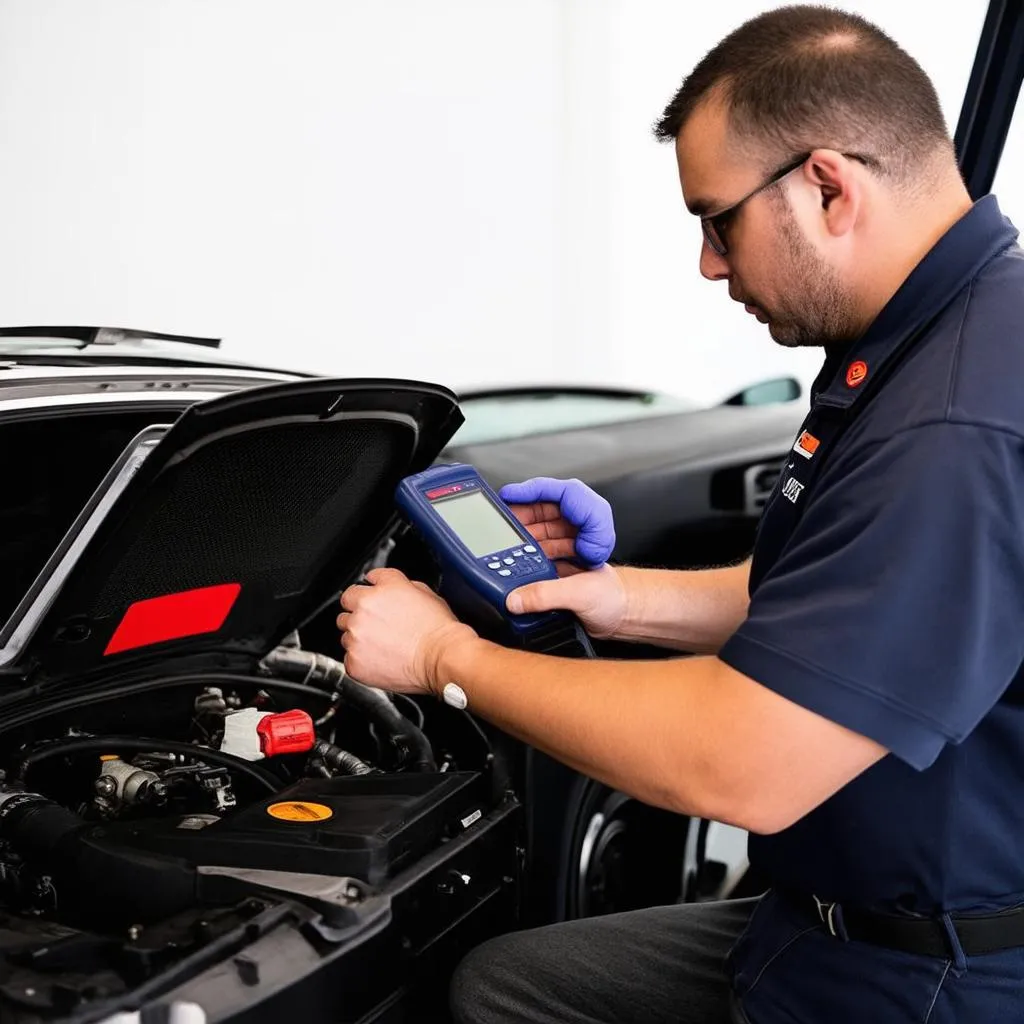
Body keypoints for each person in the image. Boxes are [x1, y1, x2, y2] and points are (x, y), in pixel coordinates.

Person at [336, 6, 1024, 1022]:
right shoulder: (932, 337)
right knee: (504, 985)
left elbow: (741, 763)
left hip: (915, 974)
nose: (709, 263)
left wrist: (444, 659)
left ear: (827, 186)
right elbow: (826, 599)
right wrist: (617, 600)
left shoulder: (952, 423)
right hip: (819, 913)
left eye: (717, 220)